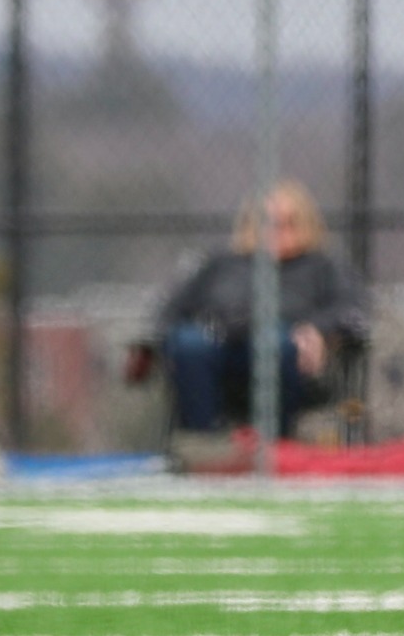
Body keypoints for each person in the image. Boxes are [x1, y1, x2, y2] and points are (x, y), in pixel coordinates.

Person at [155, 179, 365, 440]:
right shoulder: (221, 264)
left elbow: (352, 310)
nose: (277, 231)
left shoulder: (323, 267)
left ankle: (274, 444)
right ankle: (203, 444)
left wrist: (316, 329)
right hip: (219, 348)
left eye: (289, 222)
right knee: (190, 343)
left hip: (283, 354)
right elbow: (170, 311)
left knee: (275, 342)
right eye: (268, 222)